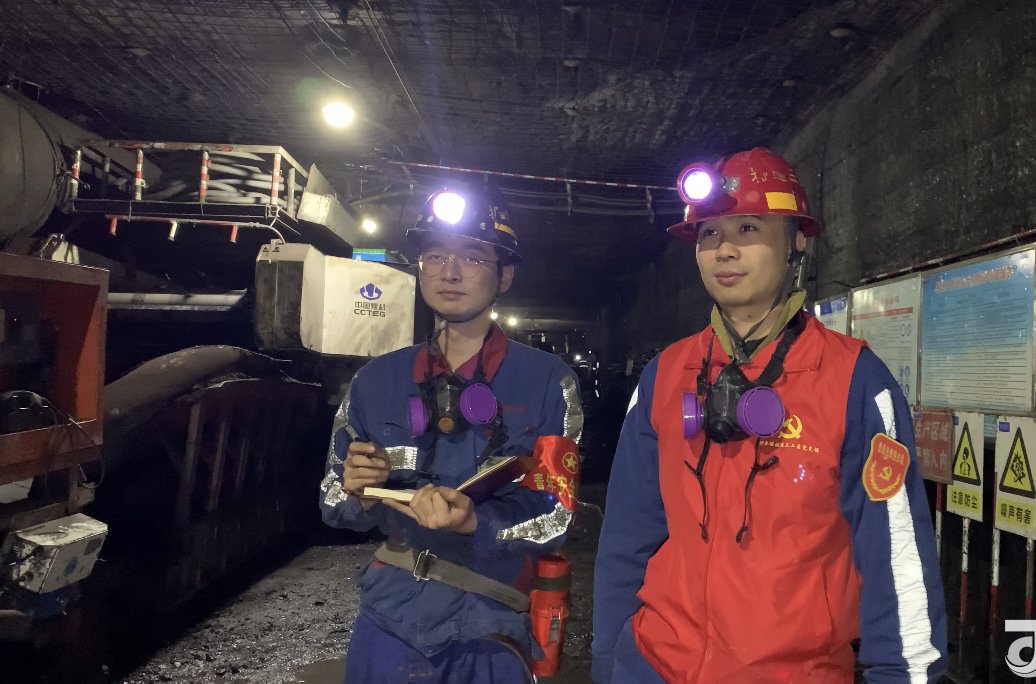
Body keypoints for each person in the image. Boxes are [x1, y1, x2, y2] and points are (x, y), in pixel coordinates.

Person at [592, 148, 947, 683]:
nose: (724, 249)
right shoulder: (665, 375)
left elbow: (895, 553)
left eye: (748, 228)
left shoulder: (854, 380)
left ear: (796, 241)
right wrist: (609, 659)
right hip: (655, 664)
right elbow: (627, 531)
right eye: (708, 233)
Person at [320, 188, 583, 683]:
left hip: (490, 625)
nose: (450, 272)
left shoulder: (548, 381)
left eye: (473, 256)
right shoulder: (376, 380)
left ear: (505, 275)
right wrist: (359, 493)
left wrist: (473, 523)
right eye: (435, 255)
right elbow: (332, 502)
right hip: (388, 621)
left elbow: (556, 518)